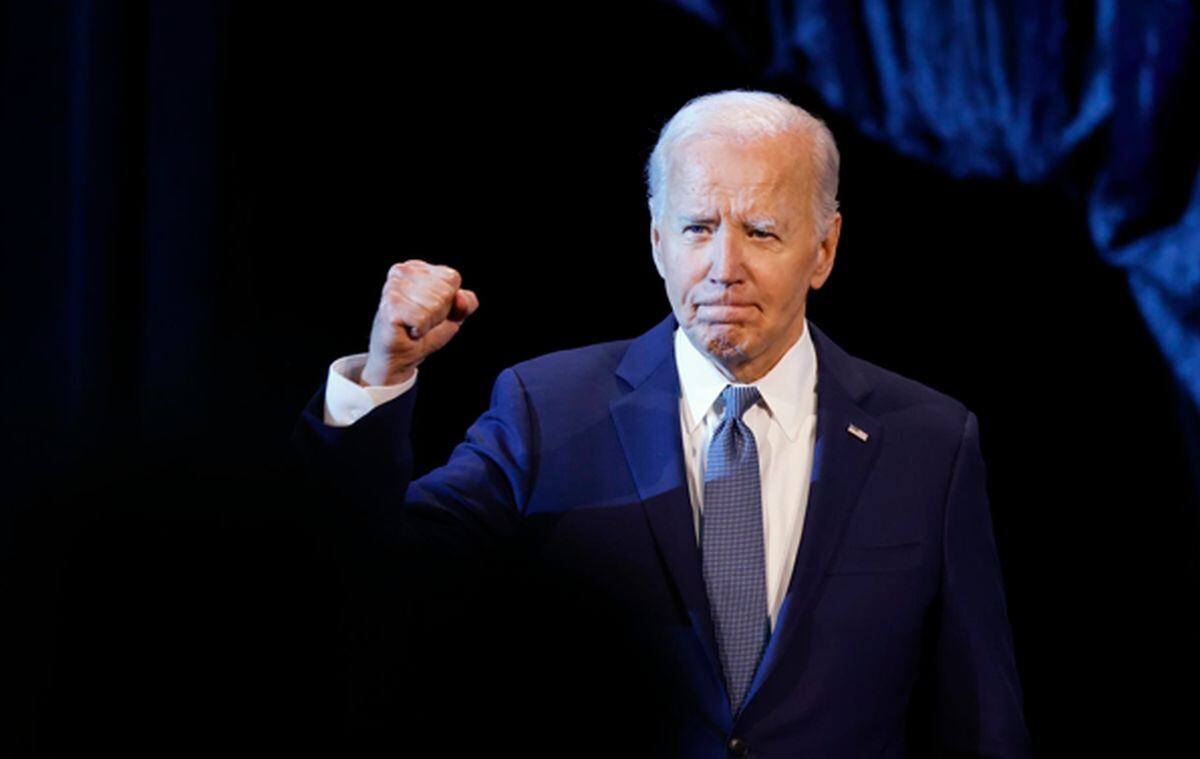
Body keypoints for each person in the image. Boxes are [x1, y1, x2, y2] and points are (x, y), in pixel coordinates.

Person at [293, 90, 1033, 757]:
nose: (722, 267)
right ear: (656, 241)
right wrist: (382, 377)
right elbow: (372, 566)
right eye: (697, 227)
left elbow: (981, 718)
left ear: (825, 249)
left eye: (763, 232)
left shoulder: (929, 441)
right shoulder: (547, 408)